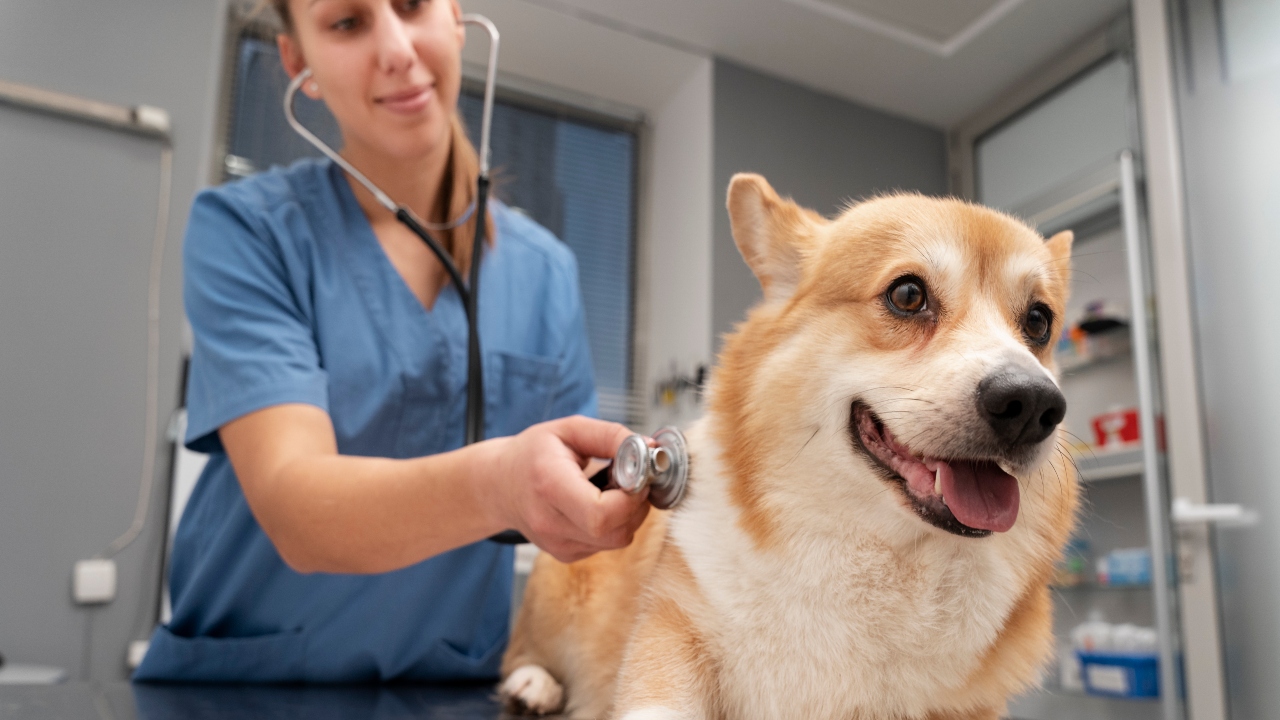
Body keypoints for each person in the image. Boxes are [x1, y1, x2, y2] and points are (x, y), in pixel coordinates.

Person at [133, 0, 649, 683]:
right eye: (347, 22)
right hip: (249, 686)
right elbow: (295, 505)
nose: (397, 49)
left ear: (457, 17)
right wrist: (501, 483)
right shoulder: (248, 233)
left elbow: (582, 499)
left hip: (448, 689)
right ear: (299, 64)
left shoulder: (545, 271)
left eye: (410, 5)